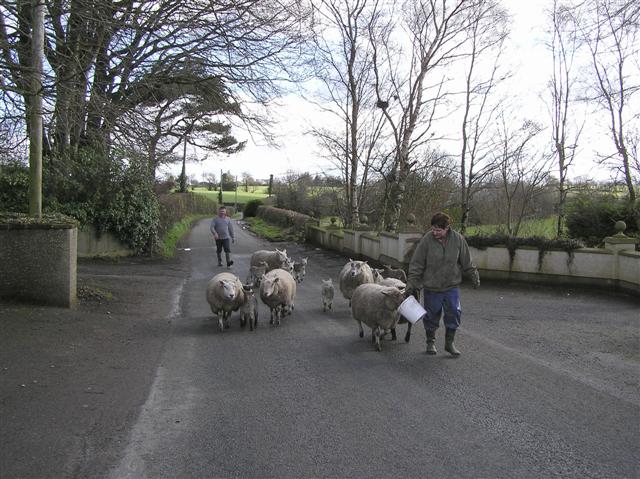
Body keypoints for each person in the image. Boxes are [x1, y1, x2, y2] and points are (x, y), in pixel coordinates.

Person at [405, 212, 480, 356]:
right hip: (432, 286)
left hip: (451, 285)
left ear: (447, 228)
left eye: (438, 230)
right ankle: (430, 342)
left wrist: (474, 275)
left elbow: (466, 261)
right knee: (431, 315)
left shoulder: (458, 239)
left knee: (454, 312)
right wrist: (411, 284)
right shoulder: (427, 240)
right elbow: (417, 264)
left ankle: (449, 343)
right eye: (433, 229)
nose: (435, 233)